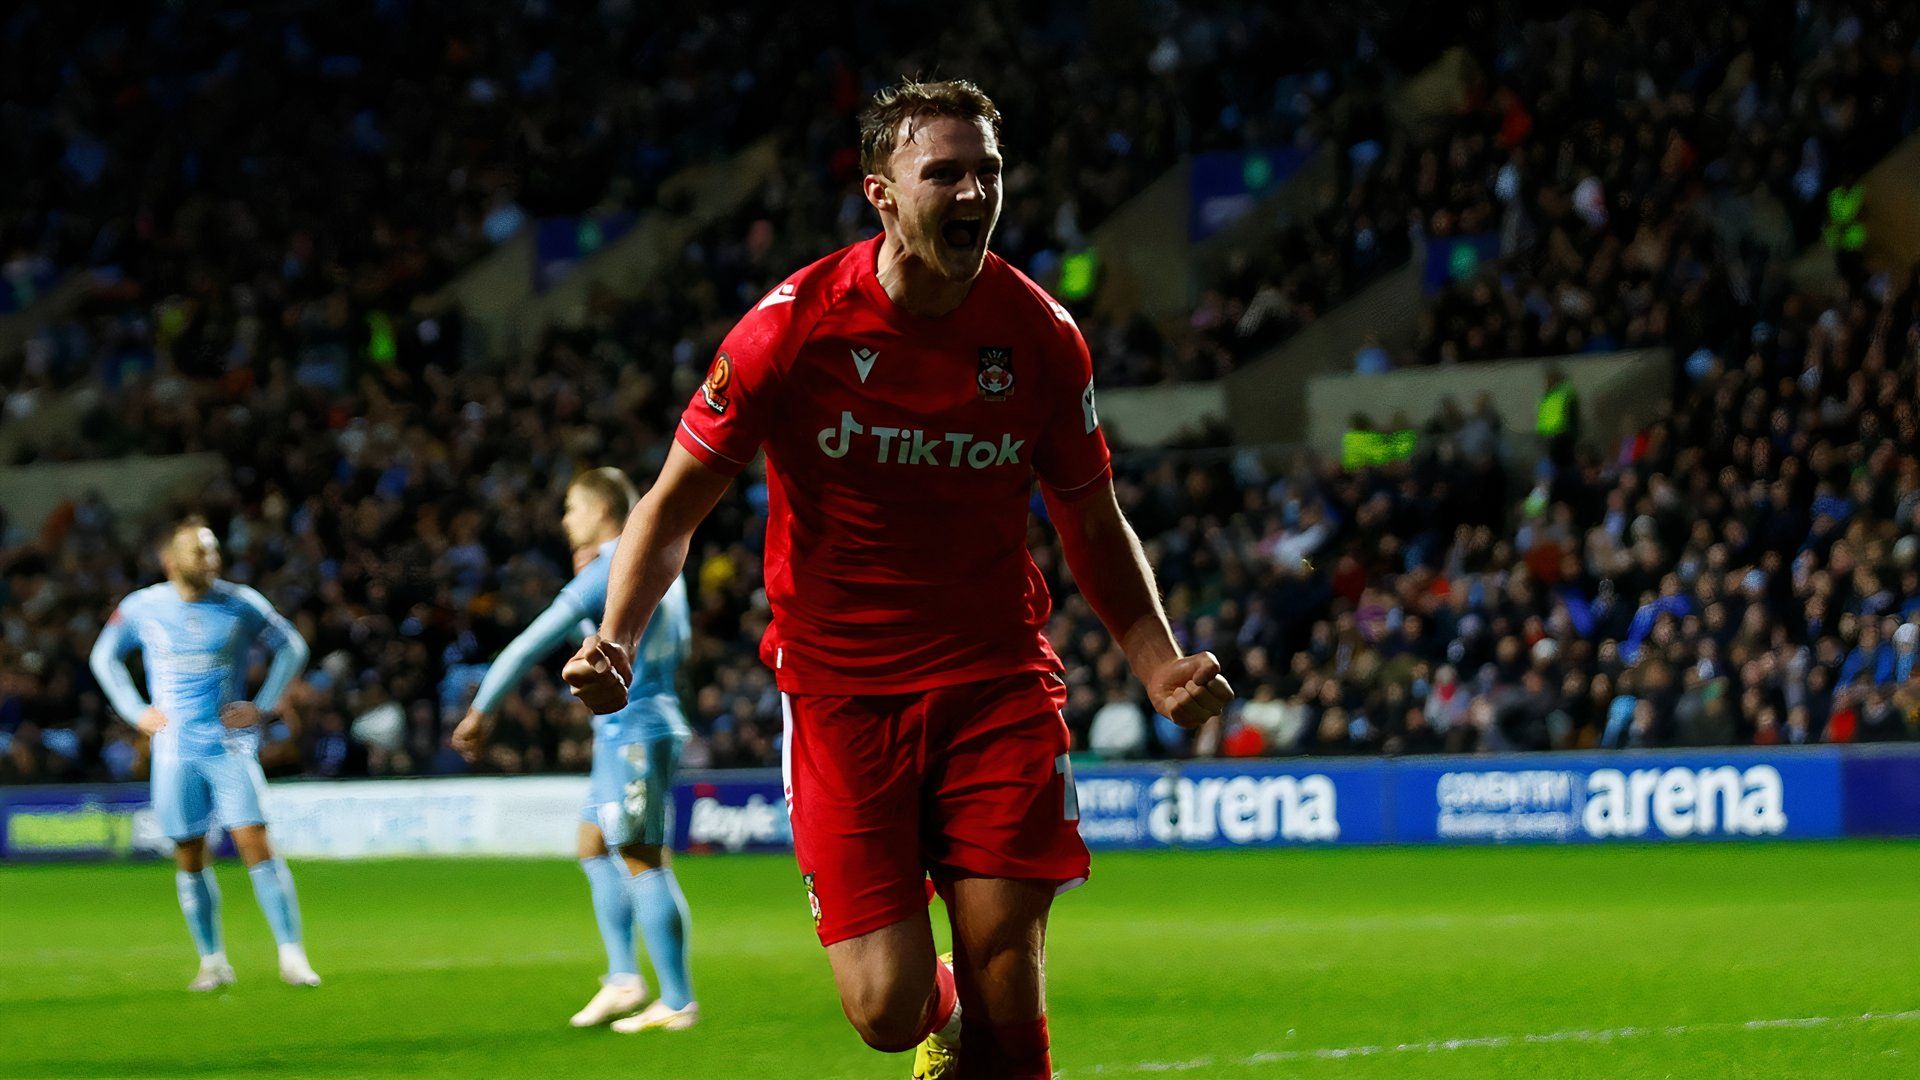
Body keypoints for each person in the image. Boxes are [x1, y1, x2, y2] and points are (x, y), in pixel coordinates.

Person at [560, 79, 1232, 1079]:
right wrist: (616, 632)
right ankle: (939, 1016)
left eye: (989, 173)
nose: (973, 194)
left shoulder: (1040, 336)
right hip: (840, 695)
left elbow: (1089, 515)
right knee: (886, 1007)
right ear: (881, 192)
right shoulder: (791, 330)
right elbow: (667, 507)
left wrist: (1157, 661)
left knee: (1011, 961)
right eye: (945, 173)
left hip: (995, 680)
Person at [451, 468, 697, 1032]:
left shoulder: (613, 564)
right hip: (626, 729)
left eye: (572, 508)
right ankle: (622, 978)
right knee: (591, 843)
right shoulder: (662, 558)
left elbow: (528, 642)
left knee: (640, 857)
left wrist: (481, 710)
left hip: (637, 729)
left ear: (602, 511)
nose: (566, 520)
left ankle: (678, 1000)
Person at [87, 516, 317, 991]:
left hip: (228, 745)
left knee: (255, 841)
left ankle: (292, 956)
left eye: (213, 551)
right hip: (174, 750)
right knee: (189, 852)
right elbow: (103, 656)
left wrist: (264, 705)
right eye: (200, 552)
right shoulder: (142, 606)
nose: (211, 560)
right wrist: (135, 711)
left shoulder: (241, 603)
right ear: (170, 562)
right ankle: (213, 962)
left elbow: (292, 647)